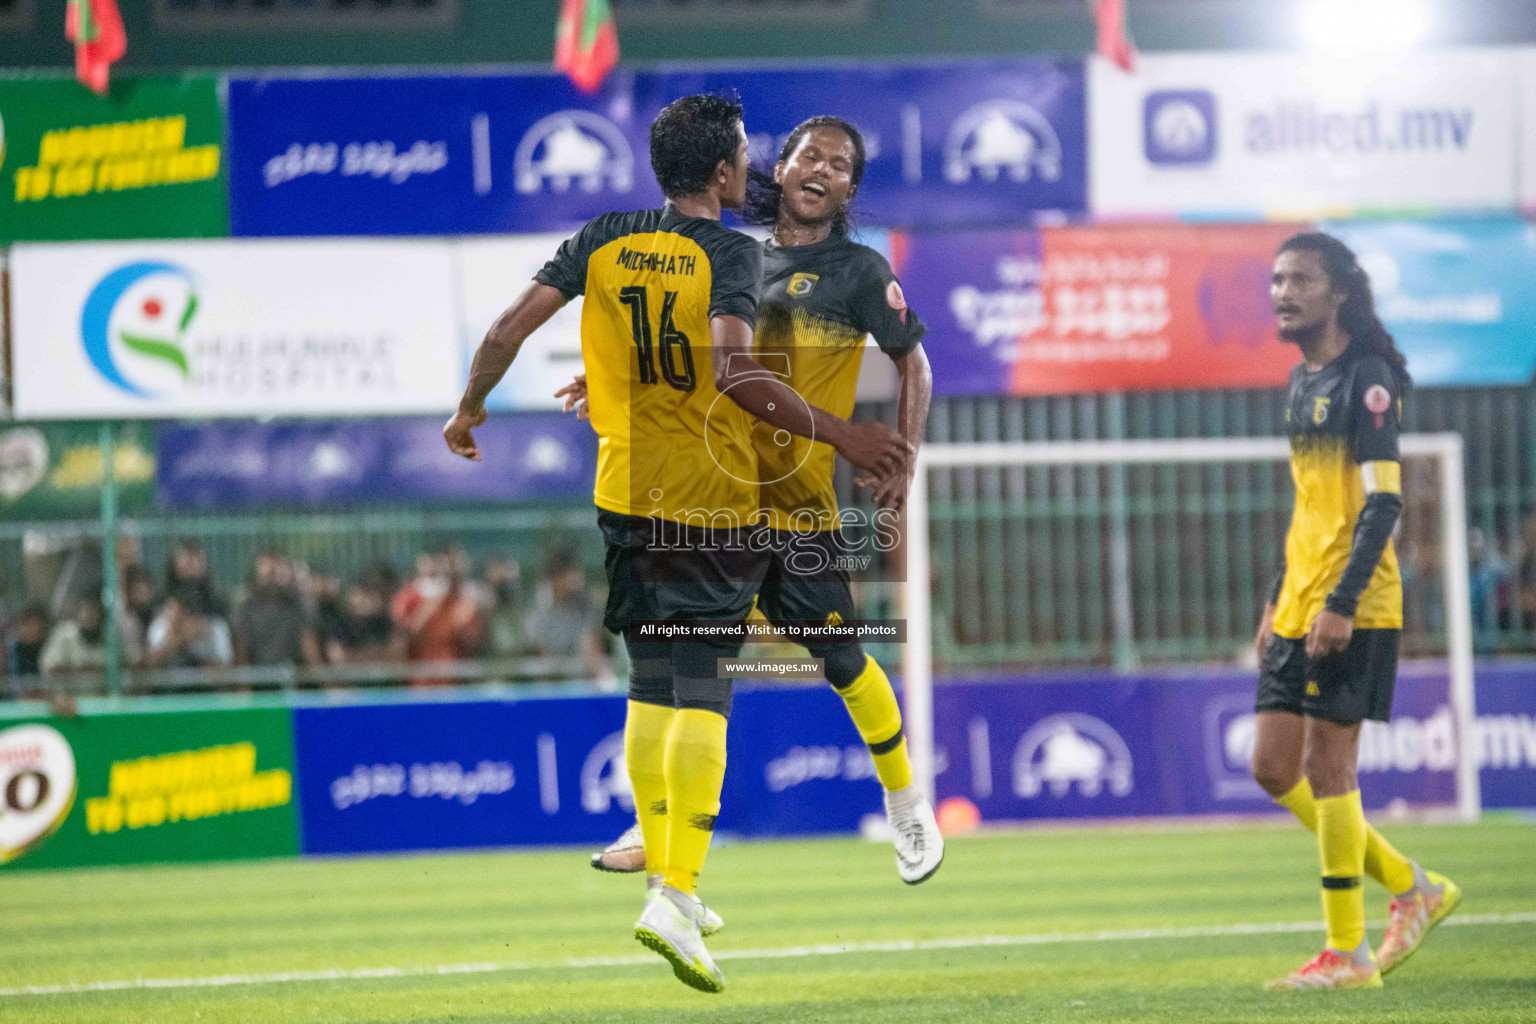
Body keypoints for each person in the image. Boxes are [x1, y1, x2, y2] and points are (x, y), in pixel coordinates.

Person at [444, 93, 910, 993]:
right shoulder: (733, 252)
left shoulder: (602, 236)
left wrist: (471, 409)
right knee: (705, 694)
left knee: (650, 683)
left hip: (623, 498)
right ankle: (675, 892)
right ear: (724, 172)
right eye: (745, 156)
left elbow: (506, 330)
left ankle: (668, 876)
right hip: (710, 502)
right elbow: (735, 369)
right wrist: (843, 434)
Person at [586, 117, 942, 884]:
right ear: (776, 167)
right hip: (711, 503)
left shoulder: (857, 271)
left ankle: (905, 800)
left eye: (840, 164)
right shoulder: (728, 254)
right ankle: (663, 837)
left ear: (850, 188)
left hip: (799, 507)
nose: (821, 168)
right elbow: (682, 352)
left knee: (842, 656)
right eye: (808, 154)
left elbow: (916, 365)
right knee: (684, 673)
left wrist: (903, 458)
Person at [1251, 233, 1459, 991]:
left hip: (1354, 604)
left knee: (1327, 768)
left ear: (1339, 292)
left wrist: (1339, 602)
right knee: (1273, 767)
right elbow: (1311, 506)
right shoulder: (1299, 381)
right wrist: (1281, 593)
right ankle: (1413, 884)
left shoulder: (1367, 380)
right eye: (1276, 280)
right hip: (1301, 600)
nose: (1282, 292)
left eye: (1299, 280)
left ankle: (1348, 953)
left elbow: (1384, 500)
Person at [390, 549, 485, 686]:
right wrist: (430, 604)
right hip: (420, 678)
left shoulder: (461, 600)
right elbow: (407, 635)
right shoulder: (409, 598)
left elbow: (472, 640)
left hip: (454, 678)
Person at [232, 551, 322, 670]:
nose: (272, 580)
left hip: (291, 677)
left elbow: (309, 648)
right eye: (268, 575)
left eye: (276, 574)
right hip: (258, 678)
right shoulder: (246, 608)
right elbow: (241, 653)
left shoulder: (297, 606)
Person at [146, 586, 234, 670]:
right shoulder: (160, 625)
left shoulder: (216, 626)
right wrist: (179, 640)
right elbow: (151, 662)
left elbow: (225, 667)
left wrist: (205, 642)